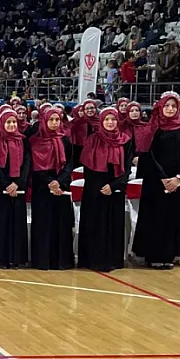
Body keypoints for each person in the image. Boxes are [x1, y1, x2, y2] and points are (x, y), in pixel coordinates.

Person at [131, 92, 180, 269]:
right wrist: (163, 178)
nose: (170, 109)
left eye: (174, 106)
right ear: (160, 107)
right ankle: (153, 255)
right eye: (167, 106)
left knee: (173, 217)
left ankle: (171, 254)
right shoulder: (152, 128)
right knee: (155, 217)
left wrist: (178, 177)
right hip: (155, 182)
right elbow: (149, 156)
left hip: (177, 182)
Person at [77, 108, 134, 273]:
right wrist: (99, 188)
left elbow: (127, 167)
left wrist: (114, 186)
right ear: (101, 121)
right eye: (107, 119)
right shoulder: (92, 139)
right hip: (95, 189)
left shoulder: (125, 140)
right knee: (95, 223)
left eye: (113, 120)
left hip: (115, 189)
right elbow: (88, 167)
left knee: (113, 224)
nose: (110, 122)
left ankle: (112, 260)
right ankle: (92, 259)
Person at [28, 106, 75, 270]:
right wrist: (50, 182)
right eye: (51, 120)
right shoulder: (35, 140)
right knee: (43, 223)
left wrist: (60, 182)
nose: (54, 123)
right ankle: (43, 260)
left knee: (61, 223)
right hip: (42, 188)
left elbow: (69, 163)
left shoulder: (65, 140)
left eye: (57, 120)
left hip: (61, 187)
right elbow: (35, 165)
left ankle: (61, 261)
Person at [0, 108, 30, 269]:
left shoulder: (23, 140)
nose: (11, 125)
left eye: (13, 122)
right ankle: (1, 258)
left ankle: (16, 258)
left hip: (18, 189)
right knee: (1, 223)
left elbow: (26, 164)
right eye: (8, 122)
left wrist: (17, 183)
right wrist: (6, 184)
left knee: (16, 223)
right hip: (0, 190)